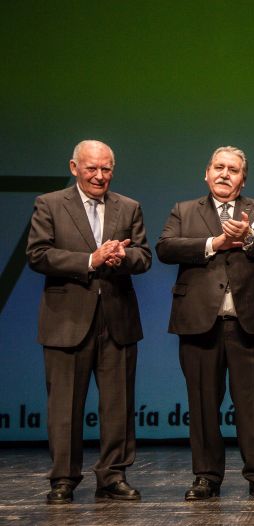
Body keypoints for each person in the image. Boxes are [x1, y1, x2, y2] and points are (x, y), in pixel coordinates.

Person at [156, 146, 254, 501]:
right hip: (200, 323)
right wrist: (214, 243)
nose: (224, 174)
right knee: (202, 404)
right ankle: (206, 477)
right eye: (219, 167)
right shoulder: (184, 210)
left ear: (243, 179)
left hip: (251, 323)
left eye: (233, 170)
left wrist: (250, 237)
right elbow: (165, 248)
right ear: (206, 173)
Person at [26, 140, 151, 504]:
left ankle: (113, 476)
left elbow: (144, 256)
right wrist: (90, 261)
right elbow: (38, 254)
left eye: (106, 169)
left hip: (117, 319)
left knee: (118, 405)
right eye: (92, 168)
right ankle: (64, 479)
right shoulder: (50, 204)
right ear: (74, 167)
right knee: (64, 406)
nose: (99, 176)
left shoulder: (128, 206)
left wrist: (123, 256)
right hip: (66, 320)